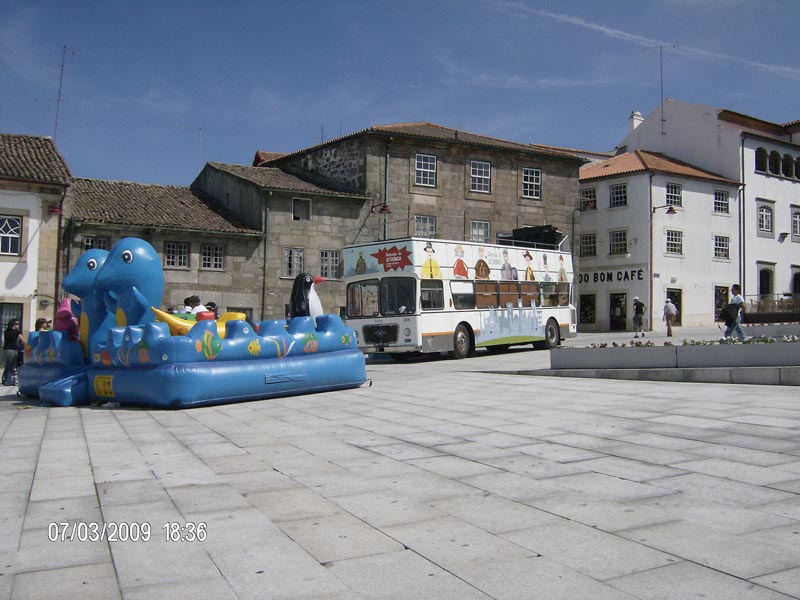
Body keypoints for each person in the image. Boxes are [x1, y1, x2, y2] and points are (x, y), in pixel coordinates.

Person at [2, 319, 24, 385]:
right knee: (11, 366)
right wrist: (28, 346)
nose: (18, 325)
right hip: (12, 350)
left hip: (5, 350)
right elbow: (23, 340)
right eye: (17, 324)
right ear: (13, 325)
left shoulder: (6, 331)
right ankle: (9, 381)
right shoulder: (17, 332)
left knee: (7, 365)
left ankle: (4, 379)